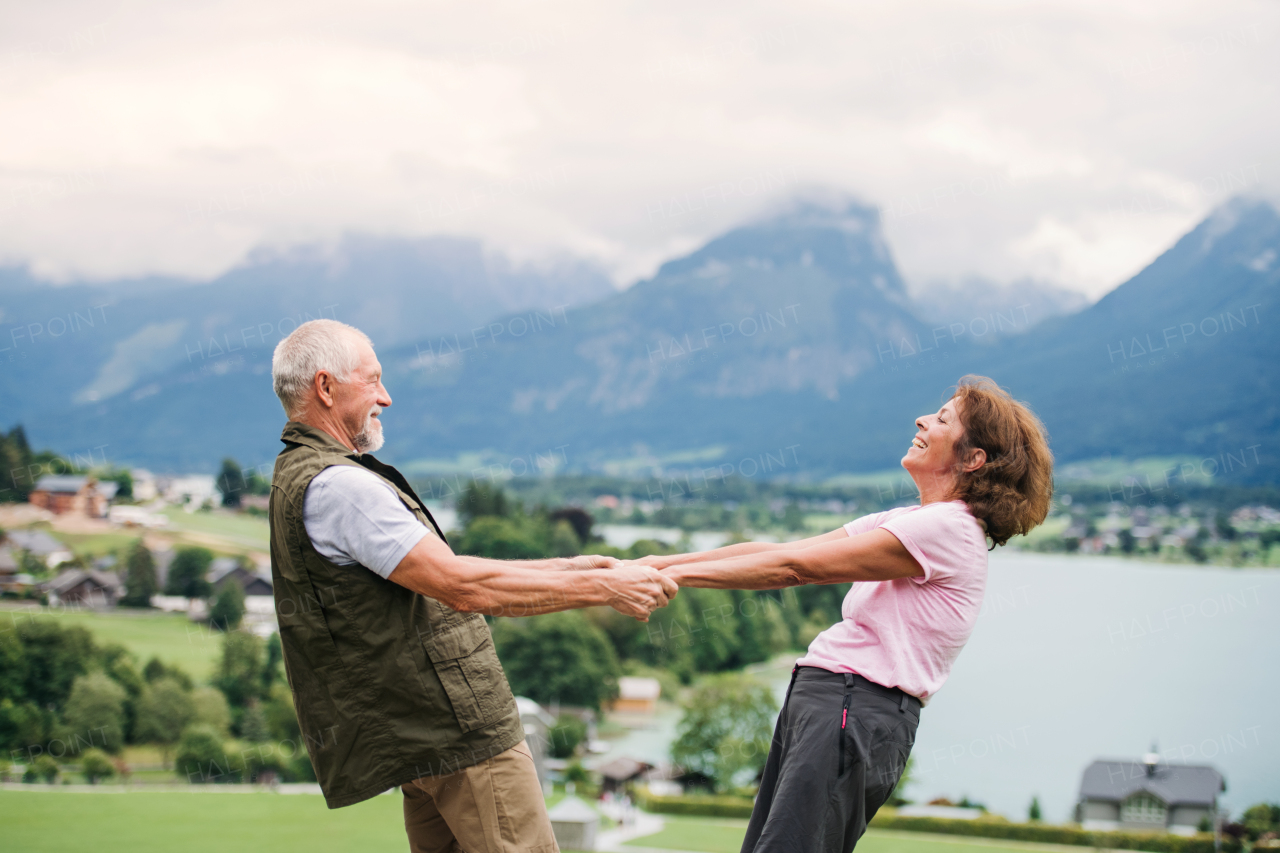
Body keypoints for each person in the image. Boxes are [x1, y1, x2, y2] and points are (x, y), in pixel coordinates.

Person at [267, 319, 677, 853]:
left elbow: (445, 570)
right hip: (460, 735)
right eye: (373, 380)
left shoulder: (298, 475)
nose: (386, 398)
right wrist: (605, 591)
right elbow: (461, 586)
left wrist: (578, 569)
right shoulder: (341, 486)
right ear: (325, 387)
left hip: (424, 740)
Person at [632, 375, 1053, 853]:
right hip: (833, 703)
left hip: (853, 707)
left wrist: (669, 580)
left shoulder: (948, 529)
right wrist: (651, 566)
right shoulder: (907, 521)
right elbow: (782, 549)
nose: (921, 419)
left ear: (974, 458)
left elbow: (794, 569)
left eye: (942, 418)